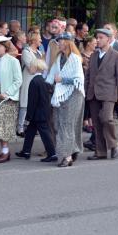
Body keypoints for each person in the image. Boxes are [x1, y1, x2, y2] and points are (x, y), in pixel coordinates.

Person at [85, 29, 118, 160]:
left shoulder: (116, 55)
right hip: (93, 94)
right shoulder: (93, 56)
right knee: (96, 123)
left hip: (109, 94)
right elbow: (88, 76)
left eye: (101, 37)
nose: (97, 40)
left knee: (106, 118)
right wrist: (86, 92)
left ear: (108, 39)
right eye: (96, 37)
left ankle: (113, 144)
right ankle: (100, 152)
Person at [45, 32, 85, 167]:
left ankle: (67, 157)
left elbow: (79, 79)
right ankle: (73, 149)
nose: (59, 43)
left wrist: (63, 79)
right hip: (60, 94)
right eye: (59, 41)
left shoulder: (75, 59)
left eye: (62, 41)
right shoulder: (59, 58)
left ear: (68, 42)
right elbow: (51, 75)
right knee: (56, 123)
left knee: (66, 124)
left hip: (74, 94)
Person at [0, 35, 22, 163]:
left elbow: (18, 81)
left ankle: (5, 152)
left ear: (5, 47)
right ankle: (4, 151)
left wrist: (7, 93)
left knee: (4, 125)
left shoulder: (13, 61)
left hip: (8, 97)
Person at [15, 59, 56, 161]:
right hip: (44, 111)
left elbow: (32, 101)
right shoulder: (43, 80)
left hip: (37, 113)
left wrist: (28, 116)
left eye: (32, 66)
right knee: (30, 131)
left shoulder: (34, 81)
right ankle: (26, 151)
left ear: (36, 68)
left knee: (44, 133)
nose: (30, 68)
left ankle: (52, 154)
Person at [17, 31, 43, 136]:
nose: (41, 40)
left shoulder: (40, 53)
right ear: (34, 40)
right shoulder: (26, 52)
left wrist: (39, 66)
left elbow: (43, 68)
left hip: (38, 81)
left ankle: (30, 126)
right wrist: (41, 65)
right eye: (39, 38)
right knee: (24, 104)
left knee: (35, 104)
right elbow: (31, 69)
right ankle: (20, 128)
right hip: (28, 80)